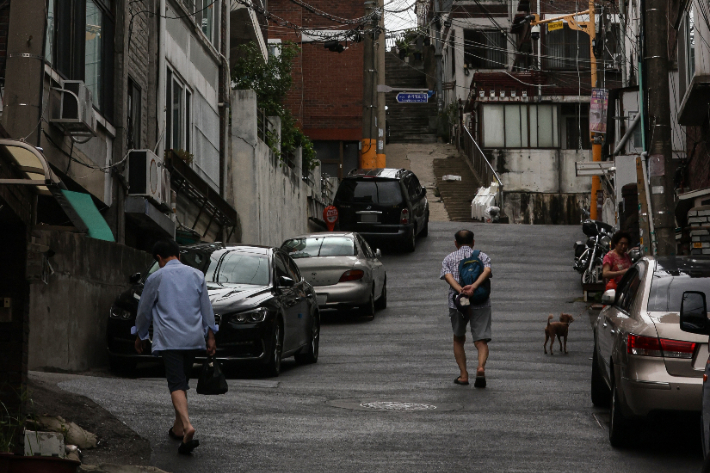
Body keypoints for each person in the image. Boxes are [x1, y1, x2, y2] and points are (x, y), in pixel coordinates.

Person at [133, 240, 217, 455]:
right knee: (183, 381)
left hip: (170, 339)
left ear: (160, 259)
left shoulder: (156, 277)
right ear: (178, 254)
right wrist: (210, 336)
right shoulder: (196, 275)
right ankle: (178, 428)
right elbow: (206, 308)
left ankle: (187, 426)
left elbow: (144, 310)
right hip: (193, 338)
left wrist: (140, 335)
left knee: (176, 383)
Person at [440, 230, 492, 388]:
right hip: (480, 300)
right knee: (481, 340)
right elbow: (487, 271)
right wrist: (473, 288)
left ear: (456, 243)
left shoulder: (449, 258)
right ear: (473, 242)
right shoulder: (482, 256)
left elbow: (448, 277)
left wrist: (461, 291)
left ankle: (463, 375)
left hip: (458, 302)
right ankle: (481, 367)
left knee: (458, 338)